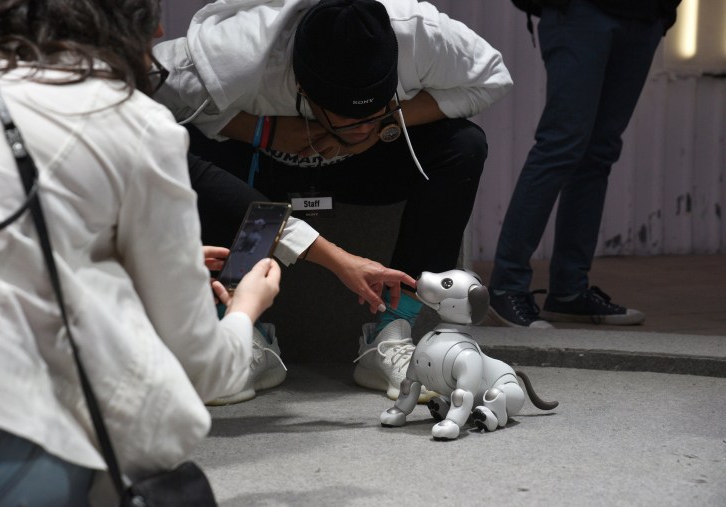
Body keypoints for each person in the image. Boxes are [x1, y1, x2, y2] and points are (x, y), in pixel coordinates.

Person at [0, 1, 280, 504]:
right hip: (5, 441)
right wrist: (246, 308)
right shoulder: (128, 120)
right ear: (131, 28)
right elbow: (203, 367)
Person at [152, 0, 513, 403]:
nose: (360, 126)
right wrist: (263, 131)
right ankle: (240, 331)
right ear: (302, 88)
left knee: (464, 145)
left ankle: (390, 336)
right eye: (346, 116)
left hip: (370, 165)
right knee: (190, 147)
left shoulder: (419, 32)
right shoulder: (238, 52)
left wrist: (389, 124)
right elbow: (154, 99)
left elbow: (493, 78)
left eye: (373, 108)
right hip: (267, 165)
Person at [488, 0, 681, 328]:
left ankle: (568, 292)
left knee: (599, 153)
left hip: (645, 18)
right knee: (560, 145)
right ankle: (507, 285)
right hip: (581, 12)